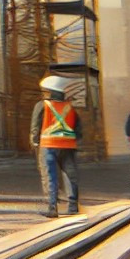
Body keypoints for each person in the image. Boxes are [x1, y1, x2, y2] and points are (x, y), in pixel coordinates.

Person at [32, 75, 82, 217]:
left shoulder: (41, 105)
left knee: (50, 176)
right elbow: (78, 129)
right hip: (68, 147)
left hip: (48, 146)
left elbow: (35, 127)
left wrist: (35, 142)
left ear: (50, 91)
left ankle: (52, 207)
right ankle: (73, 206)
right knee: (70, 175)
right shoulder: (70, 108)